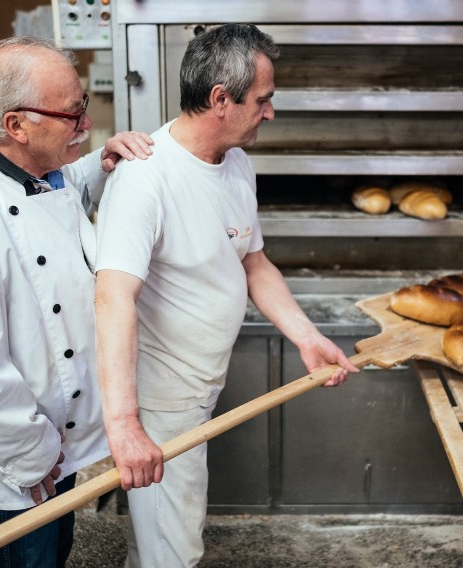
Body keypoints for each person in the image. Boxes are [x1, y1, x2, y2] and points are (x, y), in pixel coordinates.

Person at [94, 23, 360, 567]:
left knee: (159, 532)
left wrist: (307, 339)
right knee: (176, 548)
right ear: (221, 99)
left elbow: (255, 264)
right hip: (161, 399)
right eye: (262, 100)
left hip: (201, 384)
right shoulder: (146, 180)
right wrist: (125, 427)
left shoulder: (236, 162)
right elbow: (112, 300)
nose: (270, 111)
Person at [0, 36, 153, 568]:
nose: (86, 126)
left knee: (56, 551)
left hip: (59, 442)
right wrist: (31, 454)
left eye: (82, 107)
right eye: (73, 115)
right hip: (21, 455)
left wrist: (96, 167)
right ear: (16, 125)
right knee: (29, 558)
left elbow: (47, 206)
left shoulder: (24, 161)